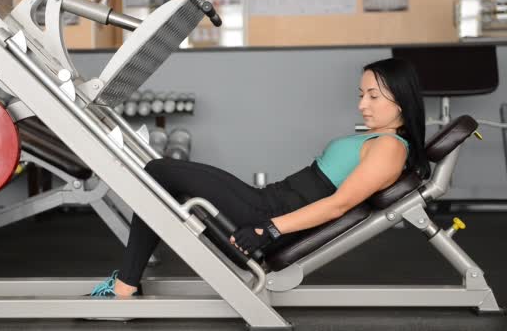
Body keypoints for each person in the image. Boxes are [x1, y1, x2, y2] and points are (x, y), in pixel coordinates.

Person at [89, 58, 431, 297]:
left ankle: (125, 285)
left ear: (401, 101)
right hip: (266, 199)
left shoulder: (389, 147)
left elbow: (337, 205)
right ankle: (127, 282)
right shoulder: (378, 139)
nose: (362, 105)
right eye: (361, 95)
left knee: (158, 172)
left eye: (373, 96)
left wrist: (268, 230)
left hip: (265, 213)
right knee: (163, 180)